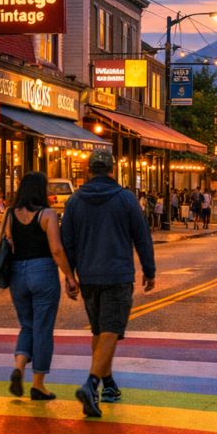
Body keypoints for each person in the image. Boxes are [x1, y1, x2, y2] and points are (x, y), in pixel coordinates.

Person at [61, 151, 156, 418]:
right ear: (113, 169)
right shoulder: (126, 198)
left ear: (88, 169)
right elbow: (142, 236)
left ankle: (110, 384)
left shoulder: (75, 201)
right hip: (117, 275)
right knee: (111, 330)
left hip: (88, 276)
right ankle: (92, 384)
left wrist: (69, 276)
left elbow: (66, 241)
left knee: (100, 332)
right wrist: (148, 269)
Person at [0, 172, 76, 401]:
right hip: (43, 271)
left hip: (17, 273)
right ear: (41, 190)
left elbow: (1, 243)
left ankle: (19, 368)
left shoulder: (10, 213)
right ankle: (38, 385)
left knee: (27, 326)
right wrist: (70, 277)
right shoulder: (47, 214)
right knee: (43, 328)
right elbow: (56, 249)